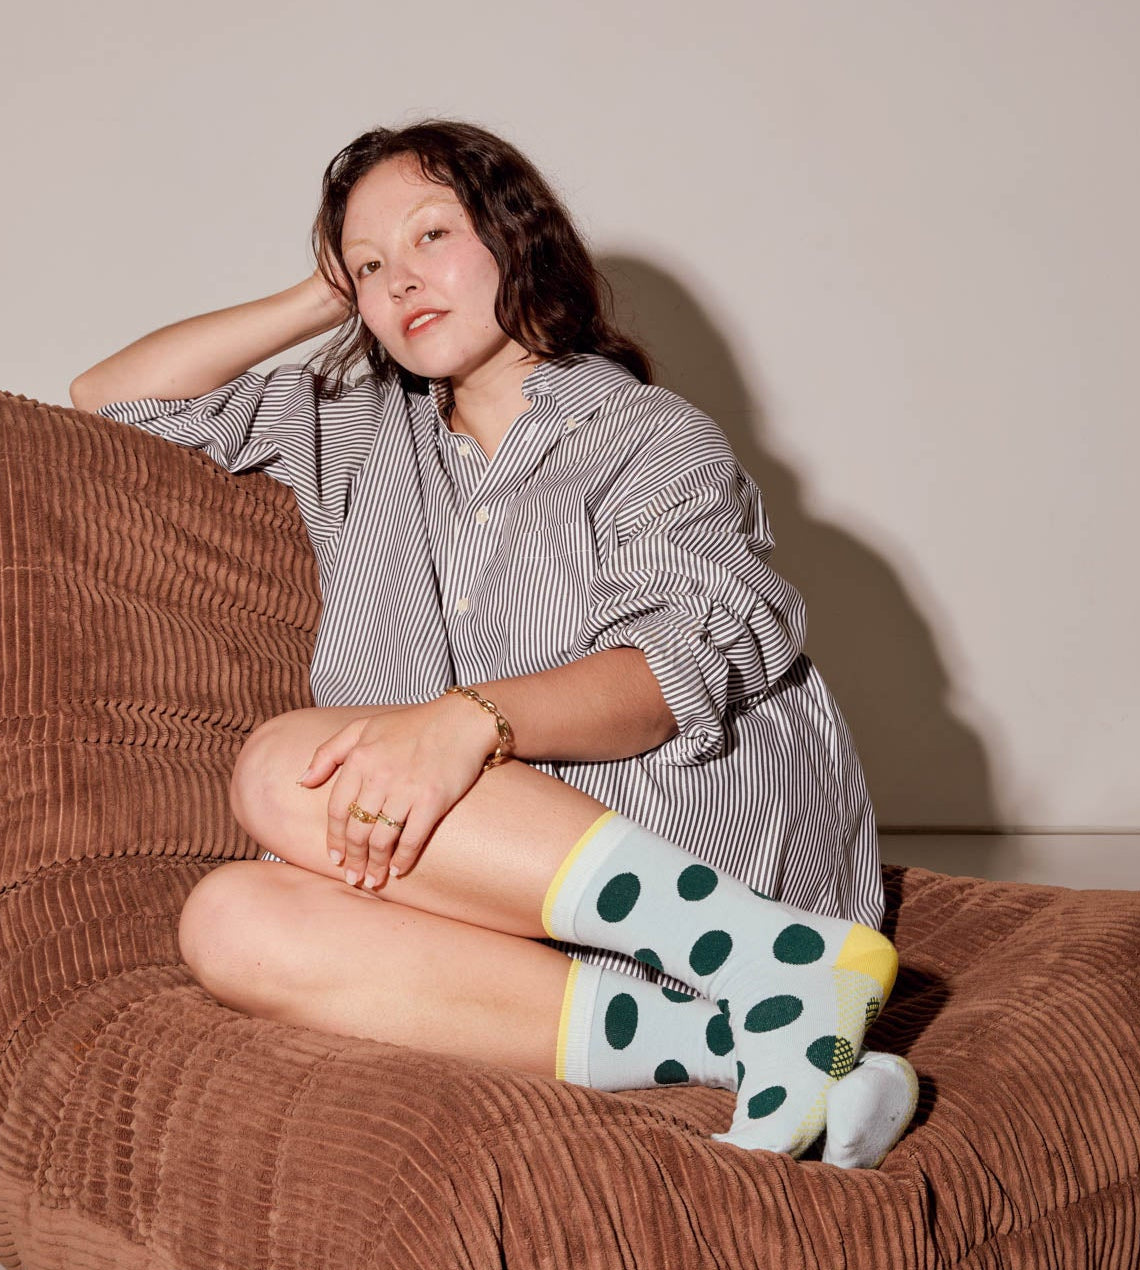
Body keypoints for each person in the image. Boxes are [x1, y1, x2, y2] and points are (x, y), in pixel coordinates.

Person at [70, 118, 918, 1168]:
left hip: (693, 834)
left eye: (432, 236)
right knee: (230, 919)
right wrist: (320, 295)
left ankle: (768, 952)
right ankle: (754, 1035)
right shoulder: (348, 424)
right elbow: (110, 401)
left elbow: (672, 673)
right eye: (370, 263)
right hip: (519, 908)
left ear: (518, 240)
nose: (400, 280)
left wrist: (463, 721)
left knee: (288, 764)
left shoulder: (649, 435)